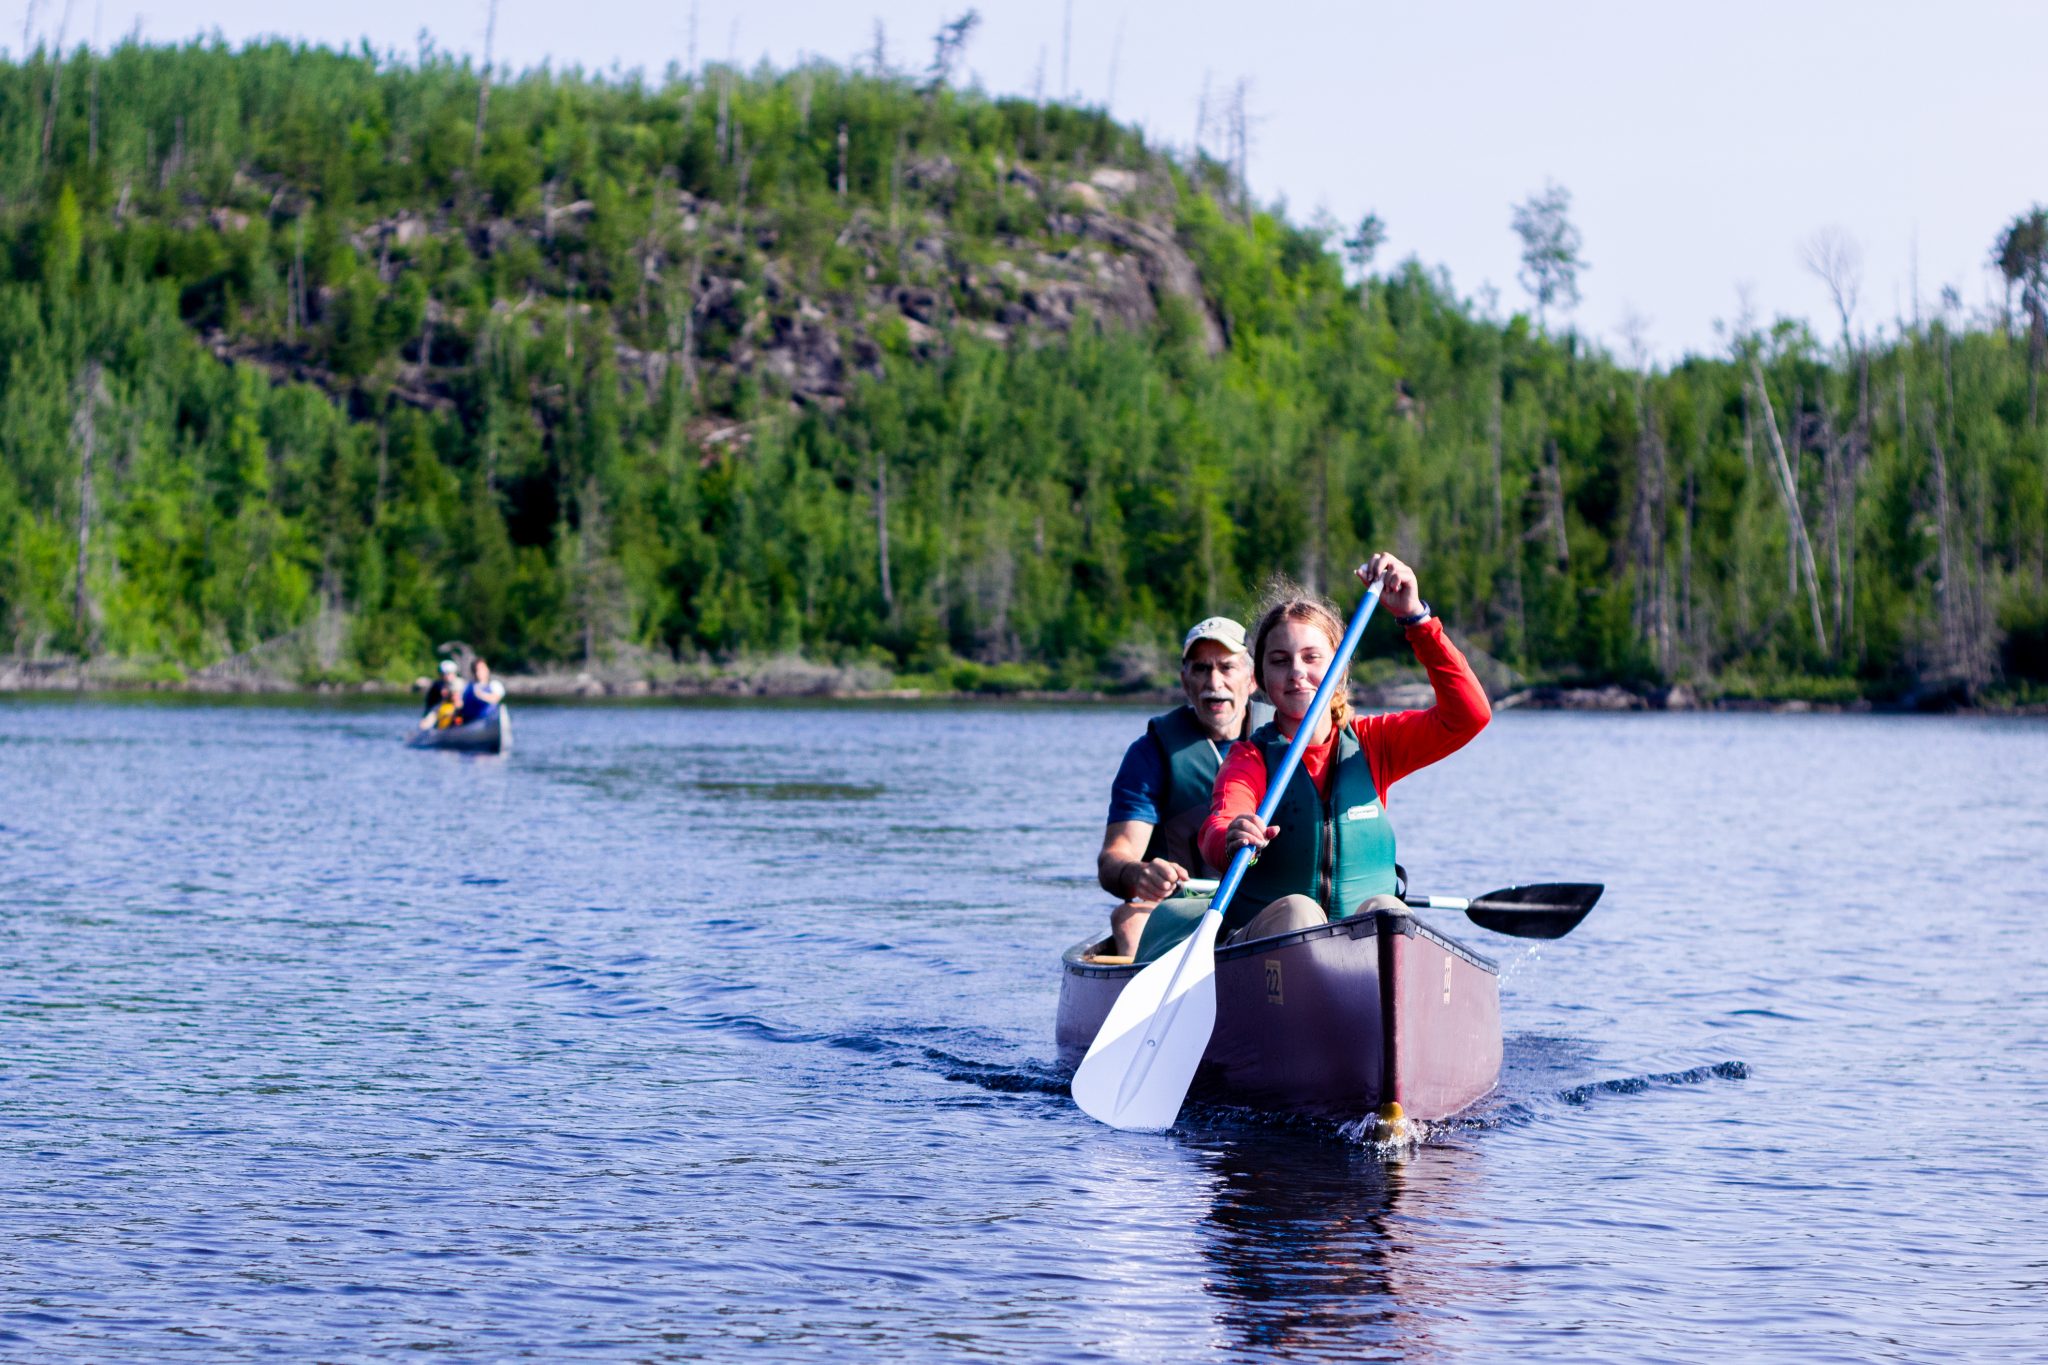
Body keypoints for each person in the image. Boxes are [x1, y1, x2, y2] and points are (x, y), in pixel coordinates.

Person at [1193, 553, 1490, 947]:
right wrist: (1231, 835)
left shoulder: (1373, 743)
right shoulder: (1250, 757)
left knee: (1390, 911)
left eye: (1312, 658)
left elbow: (1469, 715)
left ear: (1341, 668)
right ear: (1261, 679)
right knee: (1300, 911)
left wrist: (1416, 618)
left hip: (1356, 959)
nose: (1297, 671)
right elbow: (1218, 824)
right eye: (1280, 661)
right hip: (1266, 951)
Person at [1096, 617, 1263, 958]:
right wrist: (1137, 873)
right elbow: (1114, 857)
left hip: (1265, 901)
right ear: (1185, 681)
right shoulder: (1150, 753)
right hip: (1186, 906)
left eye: (1227, 668)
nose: (1213, 682)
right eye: (1201, 669)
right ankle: (1148, 1006)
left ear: (1252, 679)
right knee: (1128, 920)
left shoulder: (1286, 739)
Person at [457, 659, 506, 725]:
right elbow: (460, 703)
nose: (479, 672)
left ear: (487, 669)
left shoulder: (495, 685)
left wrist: (480, 696)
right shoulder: (467, 687)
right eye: (477, 670)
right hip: (469, 722)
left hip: (487, 721)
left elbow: (495, 699)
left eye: (482, 669)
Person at [418, 659, 461, 730]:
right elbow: (445, 694)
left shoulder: (457, 683)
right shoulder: (438, 684)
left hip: (451, 710)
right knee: (426, 723)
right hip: (436, 710)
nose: (448, 676)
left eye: (450, 673)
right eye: (445, 674)